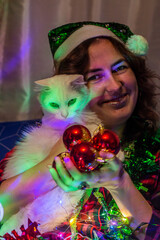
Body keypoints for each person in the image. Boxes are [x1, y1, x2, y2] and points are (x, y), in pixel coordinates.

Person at [0, 21, 160, 240]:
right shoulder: (39, 141)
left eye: (120, 68)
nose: (114, 86)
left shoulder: (154, 152)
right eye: (95, 76)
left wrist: (120, 183)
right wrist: (49, 165)